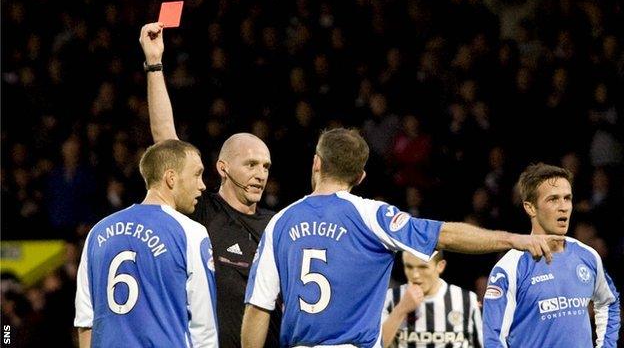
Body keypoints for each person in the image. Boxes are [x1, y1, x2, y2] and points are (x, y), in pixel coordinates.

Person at [241, 128, 563, 348]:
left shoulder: (279, 223)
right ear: (360, 176)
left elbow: (257, 309)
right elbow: (446, 234)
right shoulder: (372, 216)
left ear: (316, 163)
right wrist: (511, 239)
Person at [139, 23, 280, 347]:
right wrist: (155, 63)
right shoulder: (203, 211)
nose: (261, 173)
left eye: (266, 166)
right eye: (251, 164)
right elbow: (165, 143)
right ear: (223, 168)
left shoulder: (276, 226)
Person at [74, 139, 218, 347]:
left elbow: (86, 323)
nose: (202, 185)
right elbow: (204, 329)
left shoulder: (98, 232)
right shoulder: (191, 233)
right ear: (171, 178)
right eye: (197, 174)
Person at [482, 163, 620, 347]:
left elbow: (608, 303)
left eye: (567, 198)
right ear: (530, 208)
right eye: (553, 199)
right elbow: (493, 337)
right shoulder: (510, 267)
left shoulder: (588, 256)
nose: (563, 207)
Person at [381, 251, 483, 348]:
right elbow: (377, 344)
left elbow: (482, 344)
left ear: (440, 266)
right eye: (409, 267)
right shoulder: (390, 298)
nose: (415, 275)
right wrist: (401, 309)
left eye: (423, 267)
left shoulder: (467, 300)